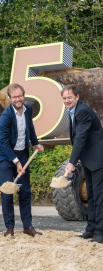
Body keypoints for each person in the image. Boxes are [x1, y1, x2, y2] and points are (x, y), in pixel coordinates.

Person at [0, 83, 44, 237]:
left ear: (23, 95)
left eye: (20, 96)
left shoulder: (28, 110)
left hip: (22, 153)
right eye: (14, 97)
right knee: (8, 191)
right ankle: (10, 228)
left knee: (24, 191)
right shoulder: (6, 116)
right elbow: (3, 142)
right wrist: (16, 162)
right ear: (10, 99)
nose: (17, 99)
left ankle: (27, 226)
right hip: (5, 155)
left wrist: (35, 144)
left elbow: (30, 127)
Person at [61, 85, 103, 243]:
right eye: (64, 98)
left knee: (99, 197)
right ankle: (91, 229)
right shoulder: (72, 111)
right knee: (91, 196)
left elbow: (80, 137)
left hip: (98, 158)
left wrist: (72, 162)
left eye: (69, 98)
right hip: (88, 159)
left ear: (77, 97)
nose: (67, 101)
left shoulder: (83, 110)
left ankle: (100, 232)